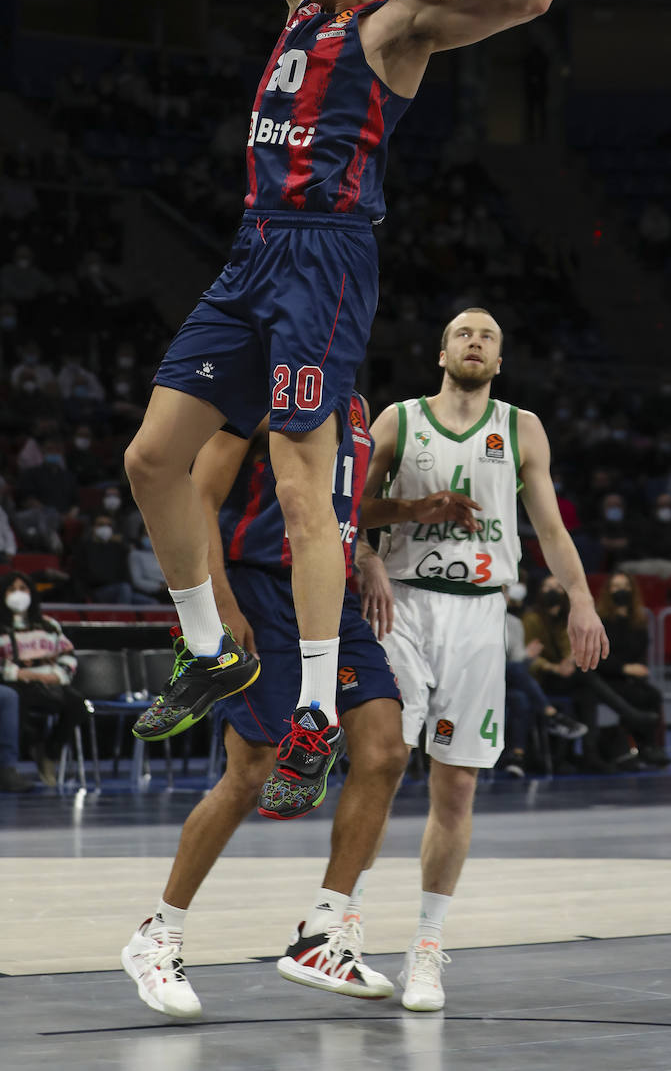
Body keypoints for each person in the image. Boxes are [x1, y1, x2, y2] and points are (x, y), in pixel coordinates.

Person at [124, 0, 603, 809]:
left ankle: (309, 716)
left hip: (324, 263)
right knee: (152, 457)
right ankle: (209, 649)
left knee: (304, 499)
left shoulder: (399, 27)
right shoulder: (299, 9)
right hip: (252, 251)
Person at [123, 393, 477, 1016]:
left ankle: (323, 932)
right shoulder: (263, 395)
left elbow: (336, 507)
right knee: (251, 770)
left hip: (329, 594)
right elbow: (199, 495)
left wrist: (409, 510)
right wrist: (221, 604)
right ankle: (159, 935)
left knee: (385, 751)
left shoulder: (358, 407)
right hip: (261, 587)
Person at [356, 307, 609, 1011]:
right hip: (400, 604)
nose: (476, 342)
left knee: (457, 786)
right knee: (380, 766)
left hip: (477, 610)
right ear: (442, 352)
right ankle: (342, 928)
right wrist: (365, 558)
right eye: (464, 333)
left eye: (489, 336)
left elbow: (551, 527)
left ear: (500, 360)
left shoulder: (521, 427)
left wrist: (582, 599)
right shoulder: (397, 420)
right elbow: (347, 507)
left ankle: (428, 948)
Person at [523, 575, 660, 772]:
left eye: (557, 587)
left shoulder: (566, 617)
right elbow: (528, 656)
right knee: (586, 675)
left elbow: (570, 648)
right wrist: (555, 668)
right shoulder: (532, 619)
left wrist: (570, 660)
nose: (553, 592)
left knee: (588, 693)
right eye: (547, 587)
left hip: (567, 674)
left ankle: (591, 755)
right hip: (542, 677)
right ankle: (630, 715)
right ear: (540, 591)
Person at [0, 571, 86, 786]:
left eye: (23, 589)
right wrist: (18, 673)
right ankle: (25, 753)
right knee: (16, 706)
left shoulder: (49, 624)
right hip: (17, 683)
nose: (18, 594)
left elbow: (68, 655)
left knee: (77, 704)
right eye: (12, 589)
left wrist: (57, 676)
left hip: (50, 681)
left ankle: (49, 752)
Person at [499, 581, 587, 778]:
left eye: (504, 593)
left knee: (520, 697)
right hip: (477, 681)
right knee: (514, 670)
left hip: (505, 683)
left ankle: (517, 757)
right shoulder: (473, 623)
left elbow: (519, 664)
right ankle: (551, 716)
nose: (501, 598)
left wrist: (529, 658)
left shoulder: (513, 623)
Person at [594, 571, 671, 768]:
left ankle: (651, 746)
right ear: (608, 591)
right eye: (616, 587)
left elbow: (640, 654)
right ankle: (637, 747)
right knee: (637, 697)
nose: (621, 591)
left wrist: (638, 670)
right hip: (605, 678)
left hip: (630, 678)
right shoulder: (600, 620)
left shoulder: (638, 622)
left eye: (625, 587)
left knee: (653, 695)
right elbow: (599, 658)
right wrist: (625, 668)